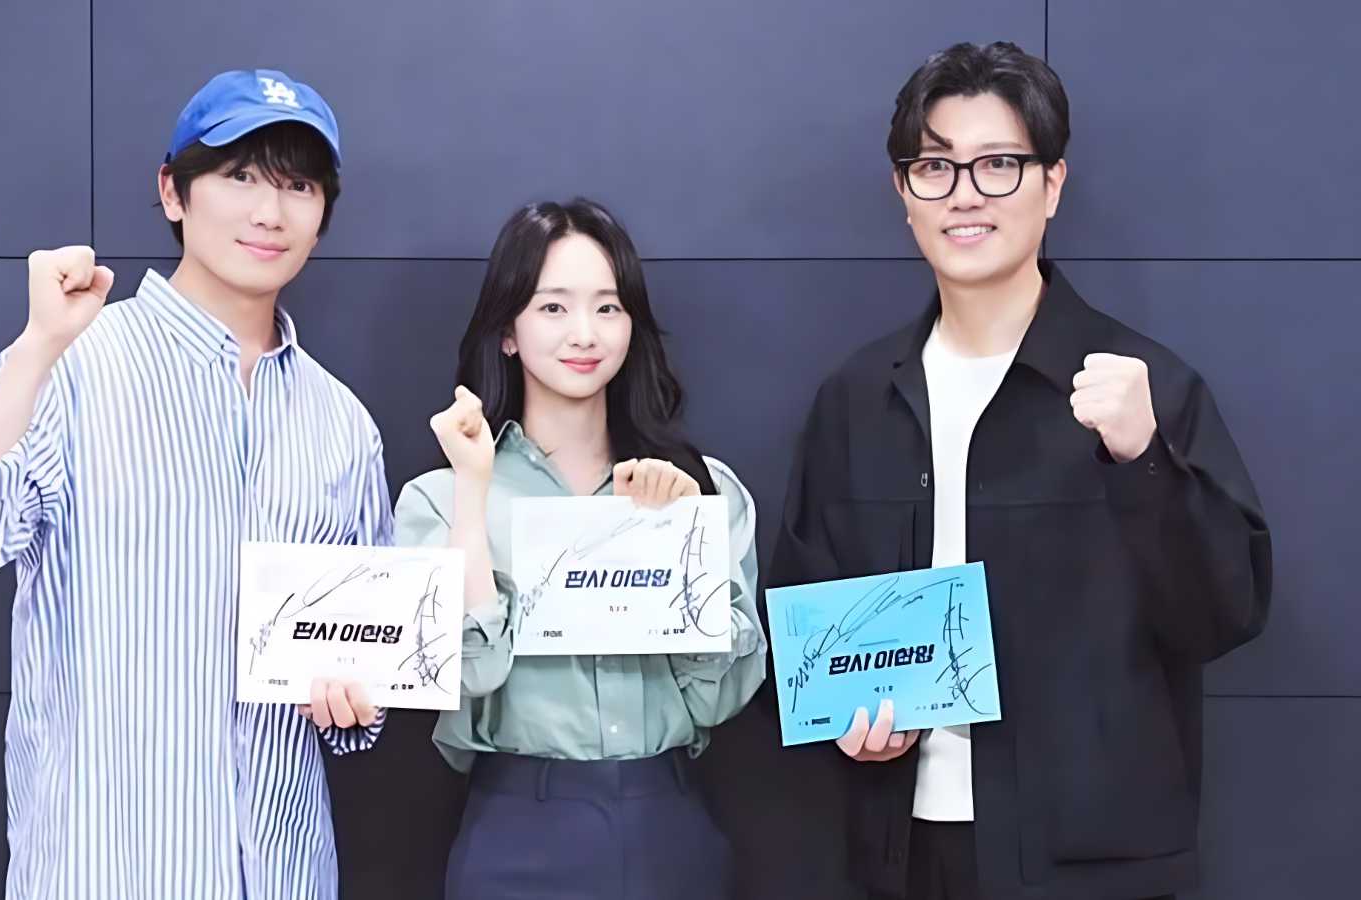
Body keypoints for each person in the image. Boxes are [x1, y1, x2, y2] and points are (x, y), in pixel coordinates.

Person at [770, 42, 1272, 900]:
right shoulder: (854, 399)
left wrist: (1144, 461)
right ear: (904, 193)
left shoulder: (1144, 387)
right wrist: (843, 720)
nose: (965, 194)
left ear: (1053, 184)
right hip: (901, 852)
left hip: (1091, 865)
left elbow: (1223, 615)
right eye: (935, 167)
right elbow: (803, 619)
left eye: (998, 164)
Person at [0, 69, 388, 899]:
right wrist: (35, 348)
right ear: (173, 191)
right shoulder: (74, 362)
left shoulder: (341, 422)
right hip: (107, 868)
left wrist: (356, 702)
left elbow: (362, 678)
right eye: (241, 176)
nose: (270, 212)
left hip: (285, 870)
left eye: (299, 186)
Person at [394, 198, 768, 899]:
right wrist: (473, 492)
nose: (585, 333)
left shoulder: (705, 489)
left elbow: (721, 698)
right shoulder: (439, 499)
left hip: (670, 821)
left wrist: (680, 540)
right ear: (508, 330)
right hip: (516, 826)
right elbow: (464, 673)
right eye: (553, 307)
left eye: (608, 307)